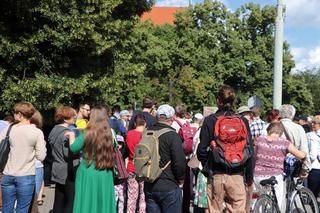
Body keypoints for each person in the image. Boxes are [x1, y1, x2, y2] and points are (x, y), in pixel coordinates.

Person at [197, 85, 254, 213]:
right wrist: (249, 177)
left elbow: (201, 150)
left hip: (216, 173)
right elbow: (250, 150)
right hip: (238, 175)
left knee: (214, 209)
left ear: (218, 100)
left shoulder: (210, 120)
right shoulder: (243, 121)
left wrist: (208, 168)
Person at [66, 105, 116, 213]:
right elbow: (116, 149)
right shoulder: (111, 133)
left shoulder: (87, 132)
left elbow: (74, 148)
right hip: (105, 172)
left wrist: (71, 136)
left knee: (86, 202)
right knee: (103, 202)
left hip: (87, 171)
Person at [0, 101, 46, 213]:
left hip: (7, 174)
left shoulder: (9, 129)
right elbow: (41, 156)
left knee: (6, 208)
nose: (14, 115)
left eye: (15, 112)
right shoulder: (36, 132)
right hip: (26, 175)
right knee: (22, 209)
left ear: (20, 114)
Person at [254, 122, 306, 211]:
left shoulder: (259, 139)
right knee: (276, 203)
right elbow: (301, 156)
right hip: (275, 176)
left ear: (268, 130)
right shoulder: (284, 143)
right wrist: (304, 155)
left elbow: (255, 155)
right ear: (281, 133)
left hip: (257, 175)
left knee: (261, 201)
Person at [144, 104, 186, 213]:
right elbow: (179, 162)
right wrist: (181, 179)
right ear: (172, 119)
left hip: (149, 184)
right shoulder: (172, 135)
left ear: (157, 117)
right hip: (169, 185)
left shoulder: (147, 132)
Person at [49, 106, 78, 213]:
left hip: (57, 167)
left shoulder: (54, 130)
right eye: (73, 116)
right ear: (65, 118)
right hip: (67, 170)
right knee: (70, 201)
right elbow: (68, 153)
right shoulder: (67, 133)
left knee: (58, 200)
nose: (75, 117)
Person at [126, 114, 147, 213]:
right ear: (145, 123)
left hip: (131, 166)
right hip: (144, 168)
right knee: (143, 195)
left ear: (135, 123)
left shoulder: (129, 134)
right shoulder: (147, 135)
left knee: (131, 197)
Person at [30, 110, 46, 206]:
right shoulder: (38, 132)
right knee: (32, 198)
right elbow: (41, 155)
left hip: (19, 168)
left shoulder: (14, 129)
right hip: (36, 165)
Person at [307, 115, 320, 198]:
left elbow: (312, 155)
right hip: (315, 167)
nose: (312, 125)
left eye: (314, 123)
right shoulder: (311, 135)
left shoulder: (311, 136)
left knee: (313, 194)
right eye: (312, 123)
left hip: (315, 167)